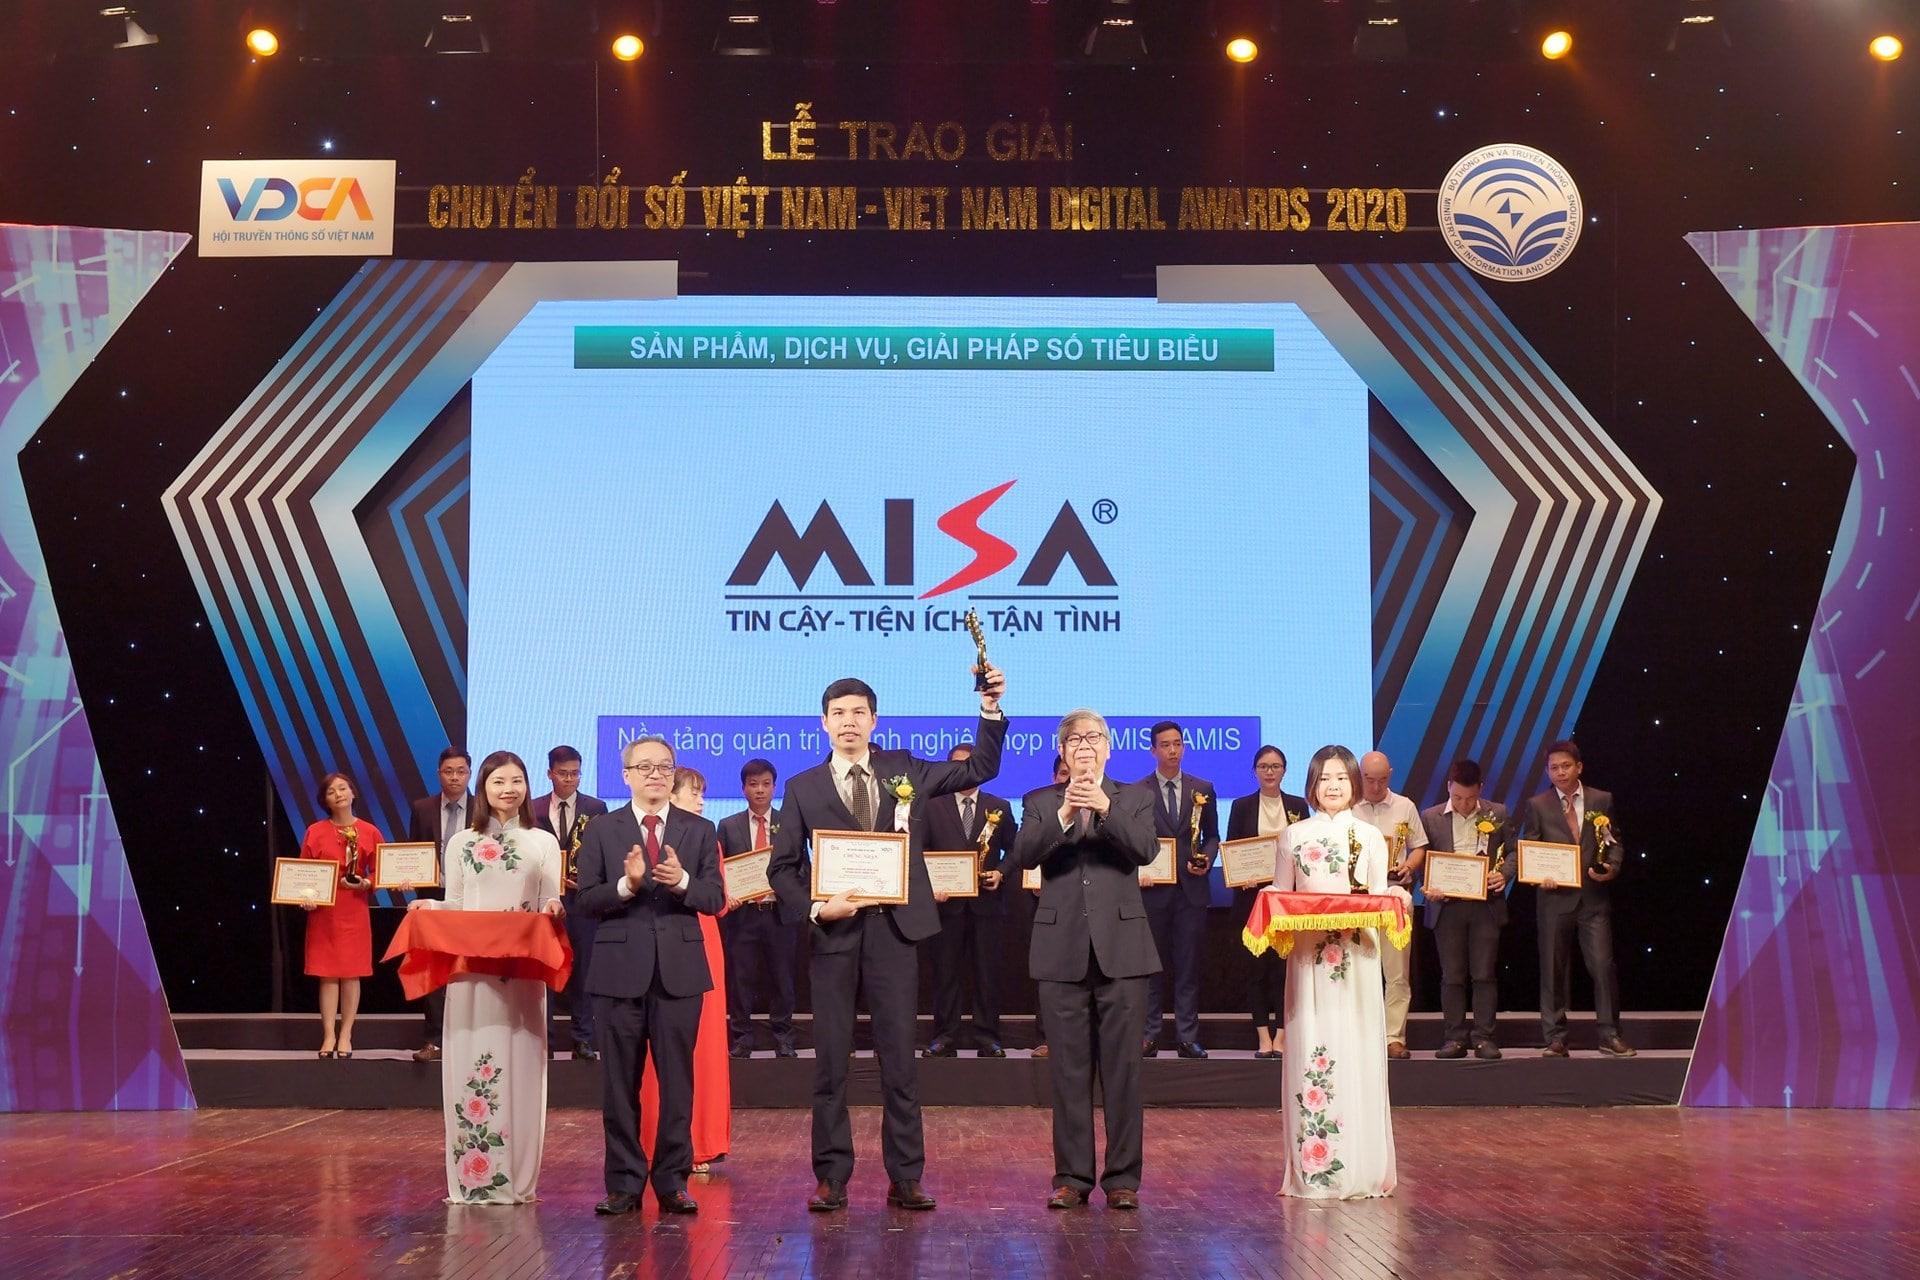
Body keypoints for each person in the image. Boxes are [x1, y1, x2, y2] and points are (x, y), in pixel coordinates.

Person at [768, 664, 1008, 1213]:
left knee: (900, 1060)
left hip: (894, 933)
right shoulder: (802, 787)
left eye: (858, 712)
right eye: (838, 713)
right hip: (834, 935)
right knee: (831, 1061)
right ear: (823, 723)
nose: (848, 721)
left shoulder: (905, 769)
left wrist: (990, 708)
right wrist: (817, 907)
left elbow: (982, 767)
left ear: (874, 720)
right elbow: (782, 868)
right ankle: (831, 1176)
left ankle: (906, 1176)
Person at [1011, 710, 1160, 1210]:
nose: (1084, 747)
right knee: (1069, 1073)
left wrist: (1104, 807)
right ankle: (1072, 1177)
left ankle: (1122, 1179)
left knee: (1124, 1073)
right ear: (1062, 751)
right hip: (1061, 951)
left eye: (1094, 738)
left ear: (1108, 749)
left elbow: (1145, 849)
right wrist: (1066, 814)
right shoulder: (1039, 802)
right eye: (1074, 740)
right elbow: (1025, 855)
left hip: (1124, 952)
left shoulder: (1135, 798)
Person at [405, 750, 565, 1205]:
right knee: (473, 1067)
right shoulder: (461, 842)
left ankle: (518, 1180)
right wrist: (430, 906)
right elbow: (457, 904)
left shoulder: (543, 841)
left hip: (521, 972)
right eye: (498, 781)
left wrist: (555, 907)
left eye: (516, 781)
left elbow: (550, 898)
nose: (508, 789)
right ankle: (473, 1180)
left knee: (522, 1063)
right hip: (472, 973)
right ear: (484, 788)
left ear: (527, 787)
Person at [577, 735, 725, 1216]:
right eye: (645, 767)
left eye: (665, 767)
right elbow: (586, 900)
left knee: (678, 1085)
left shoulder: (699, 829)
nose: (656, 774)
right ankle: (623, 1184)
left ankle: (672, 1182)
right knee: (619, 1085)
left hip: (679, 974)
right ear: (626, 775)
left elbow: (713, 898)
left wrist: (681, 882)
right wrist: (627, 884)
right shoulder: (602, 829)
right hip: (618, 973)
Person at [1273, 745, 1405, 1200]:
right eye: (1324, 778)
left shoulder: (1370, 836)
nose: (1333, 786)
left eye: (1341, 778)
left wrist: (1396, 898)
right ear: (1312, 784)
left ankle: (1364, 1167)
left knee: (1356, 1048)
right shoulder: (1292, 836)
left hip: (1357, 960)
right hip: (1307, 961)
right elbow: (1282, 893)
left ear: (1354, 784)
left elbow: (1378, 893)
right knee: (1312, 1046)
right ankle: (1315, 1170)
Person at [1518, 740, 1633, 1058]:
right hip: (1554, 899)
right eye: (1554, 768)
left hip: (1593, 898)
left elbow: (1614, 841)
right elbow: (1531, 847)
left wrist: (1612, 868)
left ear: (1578, 767)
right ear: (1547, 772)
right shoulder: (1537, 805)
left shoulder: (1601, 799)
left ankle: (1609, 1034)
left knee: (1603, 966)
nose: (1560, 773)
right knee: (1552, 969)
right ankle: (1555, 1037)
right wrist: (1539, 875)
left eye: (1565, 766)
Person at [924, 743, 1017, 1058]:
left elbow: (1016, 849)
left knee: (988, 974)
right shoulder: (931, 805)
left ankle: (988, 1037)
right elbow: (918, 852)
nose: (965, 772)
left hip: (986, 904)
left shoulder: (999, 806)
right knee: (945, 973)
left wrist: (1002, 872)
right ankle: (944, 1036)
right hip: (944, 906)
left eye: (971, 764)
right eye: (957, 766)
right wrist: (930, 884)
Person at [661, 766, 731, 1175]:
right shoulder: (643, 835)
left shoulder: (706, 836)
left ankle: (700, 1142)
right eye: (694, 792)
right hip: (661, 941)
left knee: (703, 1042)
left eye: (703, 793)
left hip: (704, 942)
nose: (702, 800)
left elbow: (718, 901)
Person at [1416, 760, 1511, 1060]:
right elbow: (1421, 859)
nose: (1464, 805)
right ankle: (1454, 1039)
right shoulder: (1430, 817)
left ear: (1481, 789)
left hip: (1486, 907)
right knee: (1452, 976)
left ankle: (1484, 1038)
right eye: (1457, 797)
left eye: (1470, 799)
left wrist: (1504, 874)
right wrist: (1429, 884)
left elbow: (1512, 853)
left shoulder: (1498, 813)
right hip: (1447, 908)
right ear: (1448, 787)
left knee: (1484, 975)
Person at [1139, 720, 1218, 1058]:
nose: (1172, 750)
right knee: (1151, 967)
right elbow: (1132, 841)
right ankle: (1149, 1035)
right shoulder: (1138, 791)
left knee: (1188, 968)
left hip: (1191, 890)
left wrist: (1206, 859)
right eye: (1165, 745)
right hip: (1152, 891)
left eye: (1177, 744)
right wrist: (1139, 869)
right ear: (1153, 750)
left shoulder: (1203, 787)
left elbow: (1212, 836)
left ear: (1184, 746)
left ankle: (1187, 1037)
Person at [1225, 746, 1306, 1060]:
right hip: (1252, 900)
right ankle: (1263, 1037)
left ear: (1284, 770)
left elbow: (1306, 851)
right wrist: (1240, 876)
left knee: (1283, 971)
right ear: (1254, 771)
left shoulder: (1298, 805)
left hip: (1287, 903)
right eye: (1263, 766)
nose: (1269, 772)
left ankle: (1282, 1036)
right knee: (1256, 971)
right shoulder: (1241, 806)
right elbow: (1233, 849)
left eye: (1275, 766)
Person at [716, 758, 798, 1058]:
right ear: (743, 789)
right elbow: (718, 870)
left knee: (783, 979)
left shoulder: (789, 823)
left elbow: (802, 867)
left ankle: (784, 1038)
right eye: (753, 784)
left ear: (774, 787)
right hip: (743, 915)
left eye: (765, 784)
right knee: (741, 979)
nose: (760, 790)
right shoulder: (728, 825)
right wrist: (728, 894)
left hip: (780, 914)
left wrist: (788, 886)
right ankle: (741, 1038)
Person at [532, 745, 608, 1060]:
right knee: (545, 969)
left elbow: (604, 852)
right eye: (563, 774)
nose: (569, 780)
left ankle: (583, 1039)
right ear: (550, 773)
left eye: (575, 774)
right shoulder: (532, 808)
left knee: (584, 971)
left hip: (582, 902)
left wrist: (592, 879)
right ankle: (544, 1041)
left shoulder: (596, 807)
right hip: (544, 901)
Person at [1353, 750, 1429, 1060]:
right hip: (1356, 900)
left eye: (1382, 780)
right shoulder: (1346, 808)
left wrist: (1409, 865)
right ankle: (1359, 1037)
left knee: (1397, 972)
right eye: (1369, 780)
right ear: (1359, 775)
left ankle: (1394, 1037)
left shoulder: (1404, 806)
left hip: (1395, 897)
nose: (1375, 786)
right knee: (1356, 971)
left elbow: (1419, 846)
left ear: (1391, 775)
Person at [298, 771, 379, 1058]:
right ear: (325, 801)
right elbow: (303, 873)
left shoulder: (369, 831)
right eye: (331, 792)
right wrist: (306, 896)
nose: (339, 794)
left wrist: (366, 883)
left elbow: (379, 870)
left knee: (351, 973)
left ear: (353, 793)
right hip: (324, 911)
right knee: (327, 975)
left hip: (354, 909)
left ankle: (346, 1034)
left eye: (343, 788)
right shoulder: (315, 831)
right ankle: (328, 1035)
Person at [406, 747, 472, 1063]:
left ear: (469, 774)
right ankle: (433, 1041)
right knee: (434, 971)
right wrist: (407, 875)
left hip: (473, 901)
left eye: (461, 771)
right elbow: (413, 851)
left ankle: (469, 1041)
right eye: (448, 771)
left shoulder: (484, 809)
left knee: (470, 970)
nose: (455, 777)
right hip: (432, 897)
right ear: (438, 773)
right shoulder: (422, 808)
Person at [1013, 753, 1071, 1059]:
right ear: (1054, 777)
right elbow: (1025, 851)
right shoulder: (1038, 803)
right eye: (1063, 774)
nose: (1068, 779)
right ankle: (1047, 1037)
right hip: (1044, 904)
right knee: (1050, 974)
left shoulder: (1104, 803)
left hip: (1090, 905)